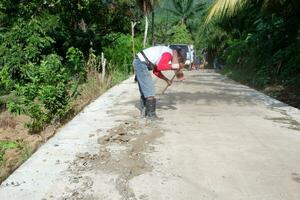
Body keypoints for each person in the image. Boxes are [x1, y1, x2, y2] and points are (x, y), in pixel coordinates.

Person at [133, 45, 186, 120]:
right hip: (141, 63)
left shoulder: (168, 53)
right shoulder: (168, 53)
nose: (179, 61)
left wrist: (166, 79)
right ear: (178, 56)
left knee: (145, 91)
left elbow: (156, 71)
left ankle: (145, 113)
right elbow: (161, 66)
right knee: (149, 90)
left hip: (140, 62)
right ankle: (151, 116)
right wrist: (173, 66)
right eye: (180, 60)